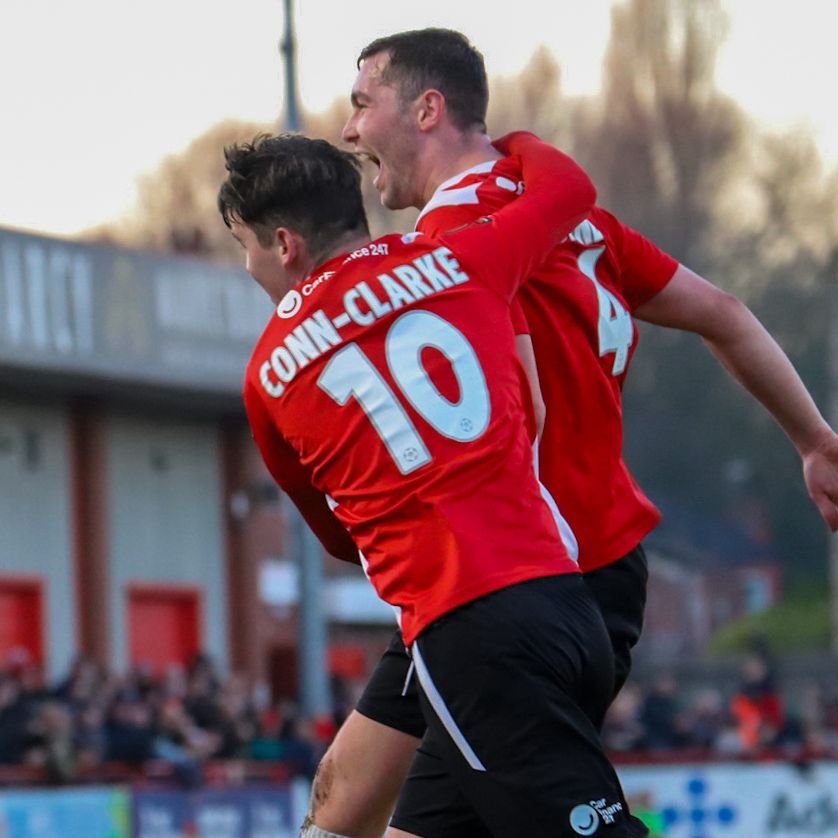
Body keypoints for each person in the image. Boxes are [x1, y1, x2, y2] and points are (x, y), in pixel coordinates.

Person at [300, 27, 838, 838]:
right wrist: (814, 441)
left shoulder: (452, 248)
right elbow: (725, 314)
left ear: (428, 109)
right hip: (547, 577)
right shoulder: (579, 224)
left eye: (361, 103)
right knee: (345, 806)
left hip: (528, 583)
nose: (348, 130)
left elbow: (526, 403)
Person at [218, 132, 649, 837]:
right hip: (564, 601)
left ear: (286, 243)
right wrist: (502, 141)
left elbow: (335, 536)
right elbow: (570, 188)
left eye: (246, 245)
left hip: (469, 629)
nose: (248, 264)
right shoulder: (457, 256)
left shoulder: (269, 375)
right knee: (352, 809)